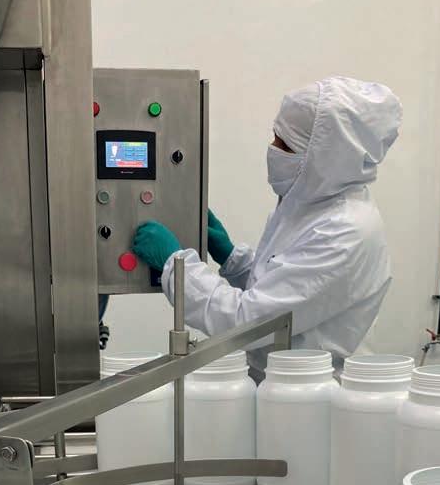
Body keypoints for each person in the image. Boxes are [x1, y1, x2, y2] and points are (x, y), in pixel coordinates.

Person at [132, 76, 402, 376]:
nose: (273, 148)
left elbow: (248, 323)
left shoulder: (344, 230)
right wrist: (232, 258)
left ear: (326, 157)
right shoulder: (307, 204)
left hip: (309, 393)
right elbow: (277, 290)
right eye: (275, 137)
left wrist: (176, 266)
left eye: (284, 144)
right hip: (280, 382)